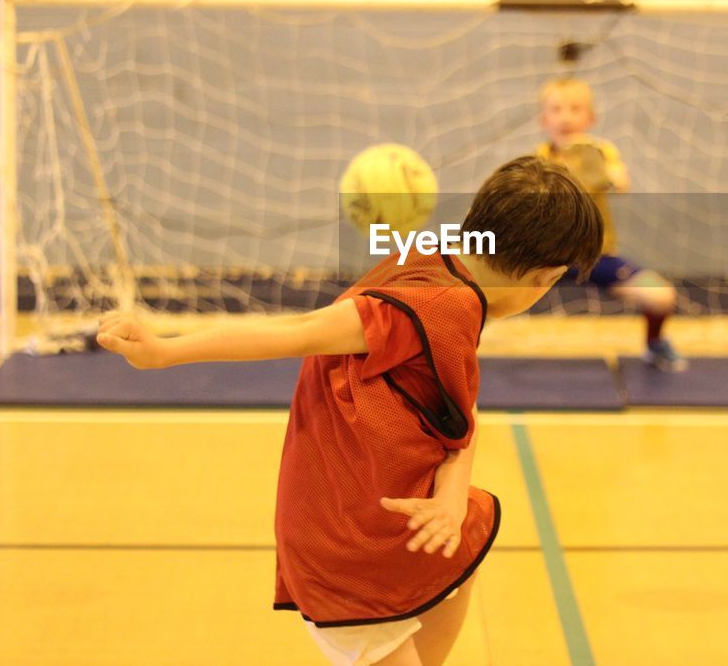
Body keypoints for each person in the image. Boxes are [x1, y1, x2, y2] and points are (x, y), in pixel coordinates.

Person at [97, 156, 603, 666]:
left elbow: (458, 402)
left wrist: (451, 494)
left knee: (462, 542)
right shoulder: (427, 304)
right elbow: (296, 330)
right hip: (346, 545)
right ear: (544, 279)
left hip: (394, 525)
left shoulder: (447, 268)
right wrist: (166, 350)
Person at [535, 76, 687, 371]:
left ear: (591, 118)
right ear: (544, 119)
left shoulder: (603, 152)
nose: (565, 116)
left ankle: (654, 344)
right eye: (556, 109)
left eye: (575, 109)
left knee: (661, 296)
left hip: (596, 257)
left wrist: (602, 170)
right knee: (481, 291)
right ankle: (460, 350)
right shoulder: (538, 159)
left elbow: (620, 181)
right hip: (546, 258)